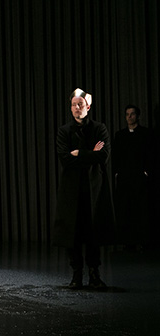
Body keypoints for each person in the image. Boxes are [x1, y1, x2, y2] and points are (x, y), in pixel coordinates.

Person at [53, 88, 115, 289]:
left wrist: (79, 153)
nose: (77, 107)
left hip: (94, 189)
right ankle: (76, 274)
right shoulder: (64, 131)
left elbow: (103, 156)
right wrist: (90, 154)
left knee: (93, 232)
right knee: (73, 233)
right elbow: (65, 159)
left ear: (88, 106)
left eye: (80, 104)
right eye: (74, 104)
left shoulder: (99, 128)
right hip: (71, 190)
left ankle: (94, 274)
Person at [112, 105, 154, 249]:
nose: (129, 117)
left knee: (141, 210)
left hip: (140, 178)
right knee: (125, 210)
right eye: (127, 114)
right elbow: (116, 156)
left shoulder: (146, 134)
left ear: (137, 116)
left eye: (132, 114)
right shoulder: (120, 135)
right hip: (124, 179)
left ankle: (143, 241)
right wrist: (117, 173)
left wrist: (146, 172)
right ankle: (127, 242)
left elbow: (151, 155)